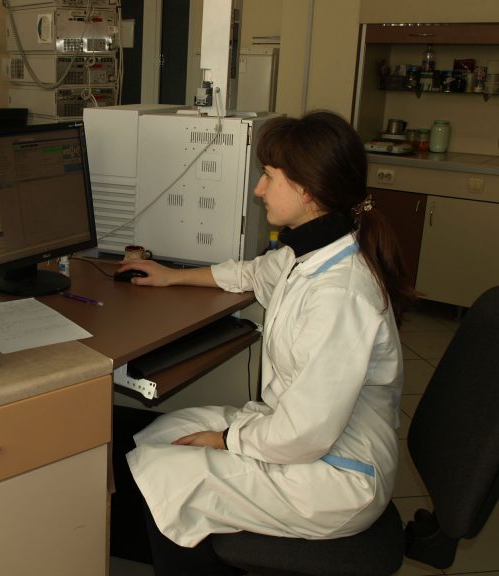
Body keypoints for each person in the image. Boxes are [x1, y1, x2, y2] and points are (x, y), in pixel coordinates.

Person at [113, 110, 416, 575]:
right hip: (306, 440)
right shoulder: (312, 251)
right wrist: (172, 276)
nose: (258, 189)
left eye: (269, 176)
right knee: (164, 433)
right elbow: (253, 273)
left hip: (337, 476)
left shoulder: (341, 294)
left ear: (306, 190)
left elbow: (305, 434)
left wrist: (227, 439)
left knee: (171, 475)